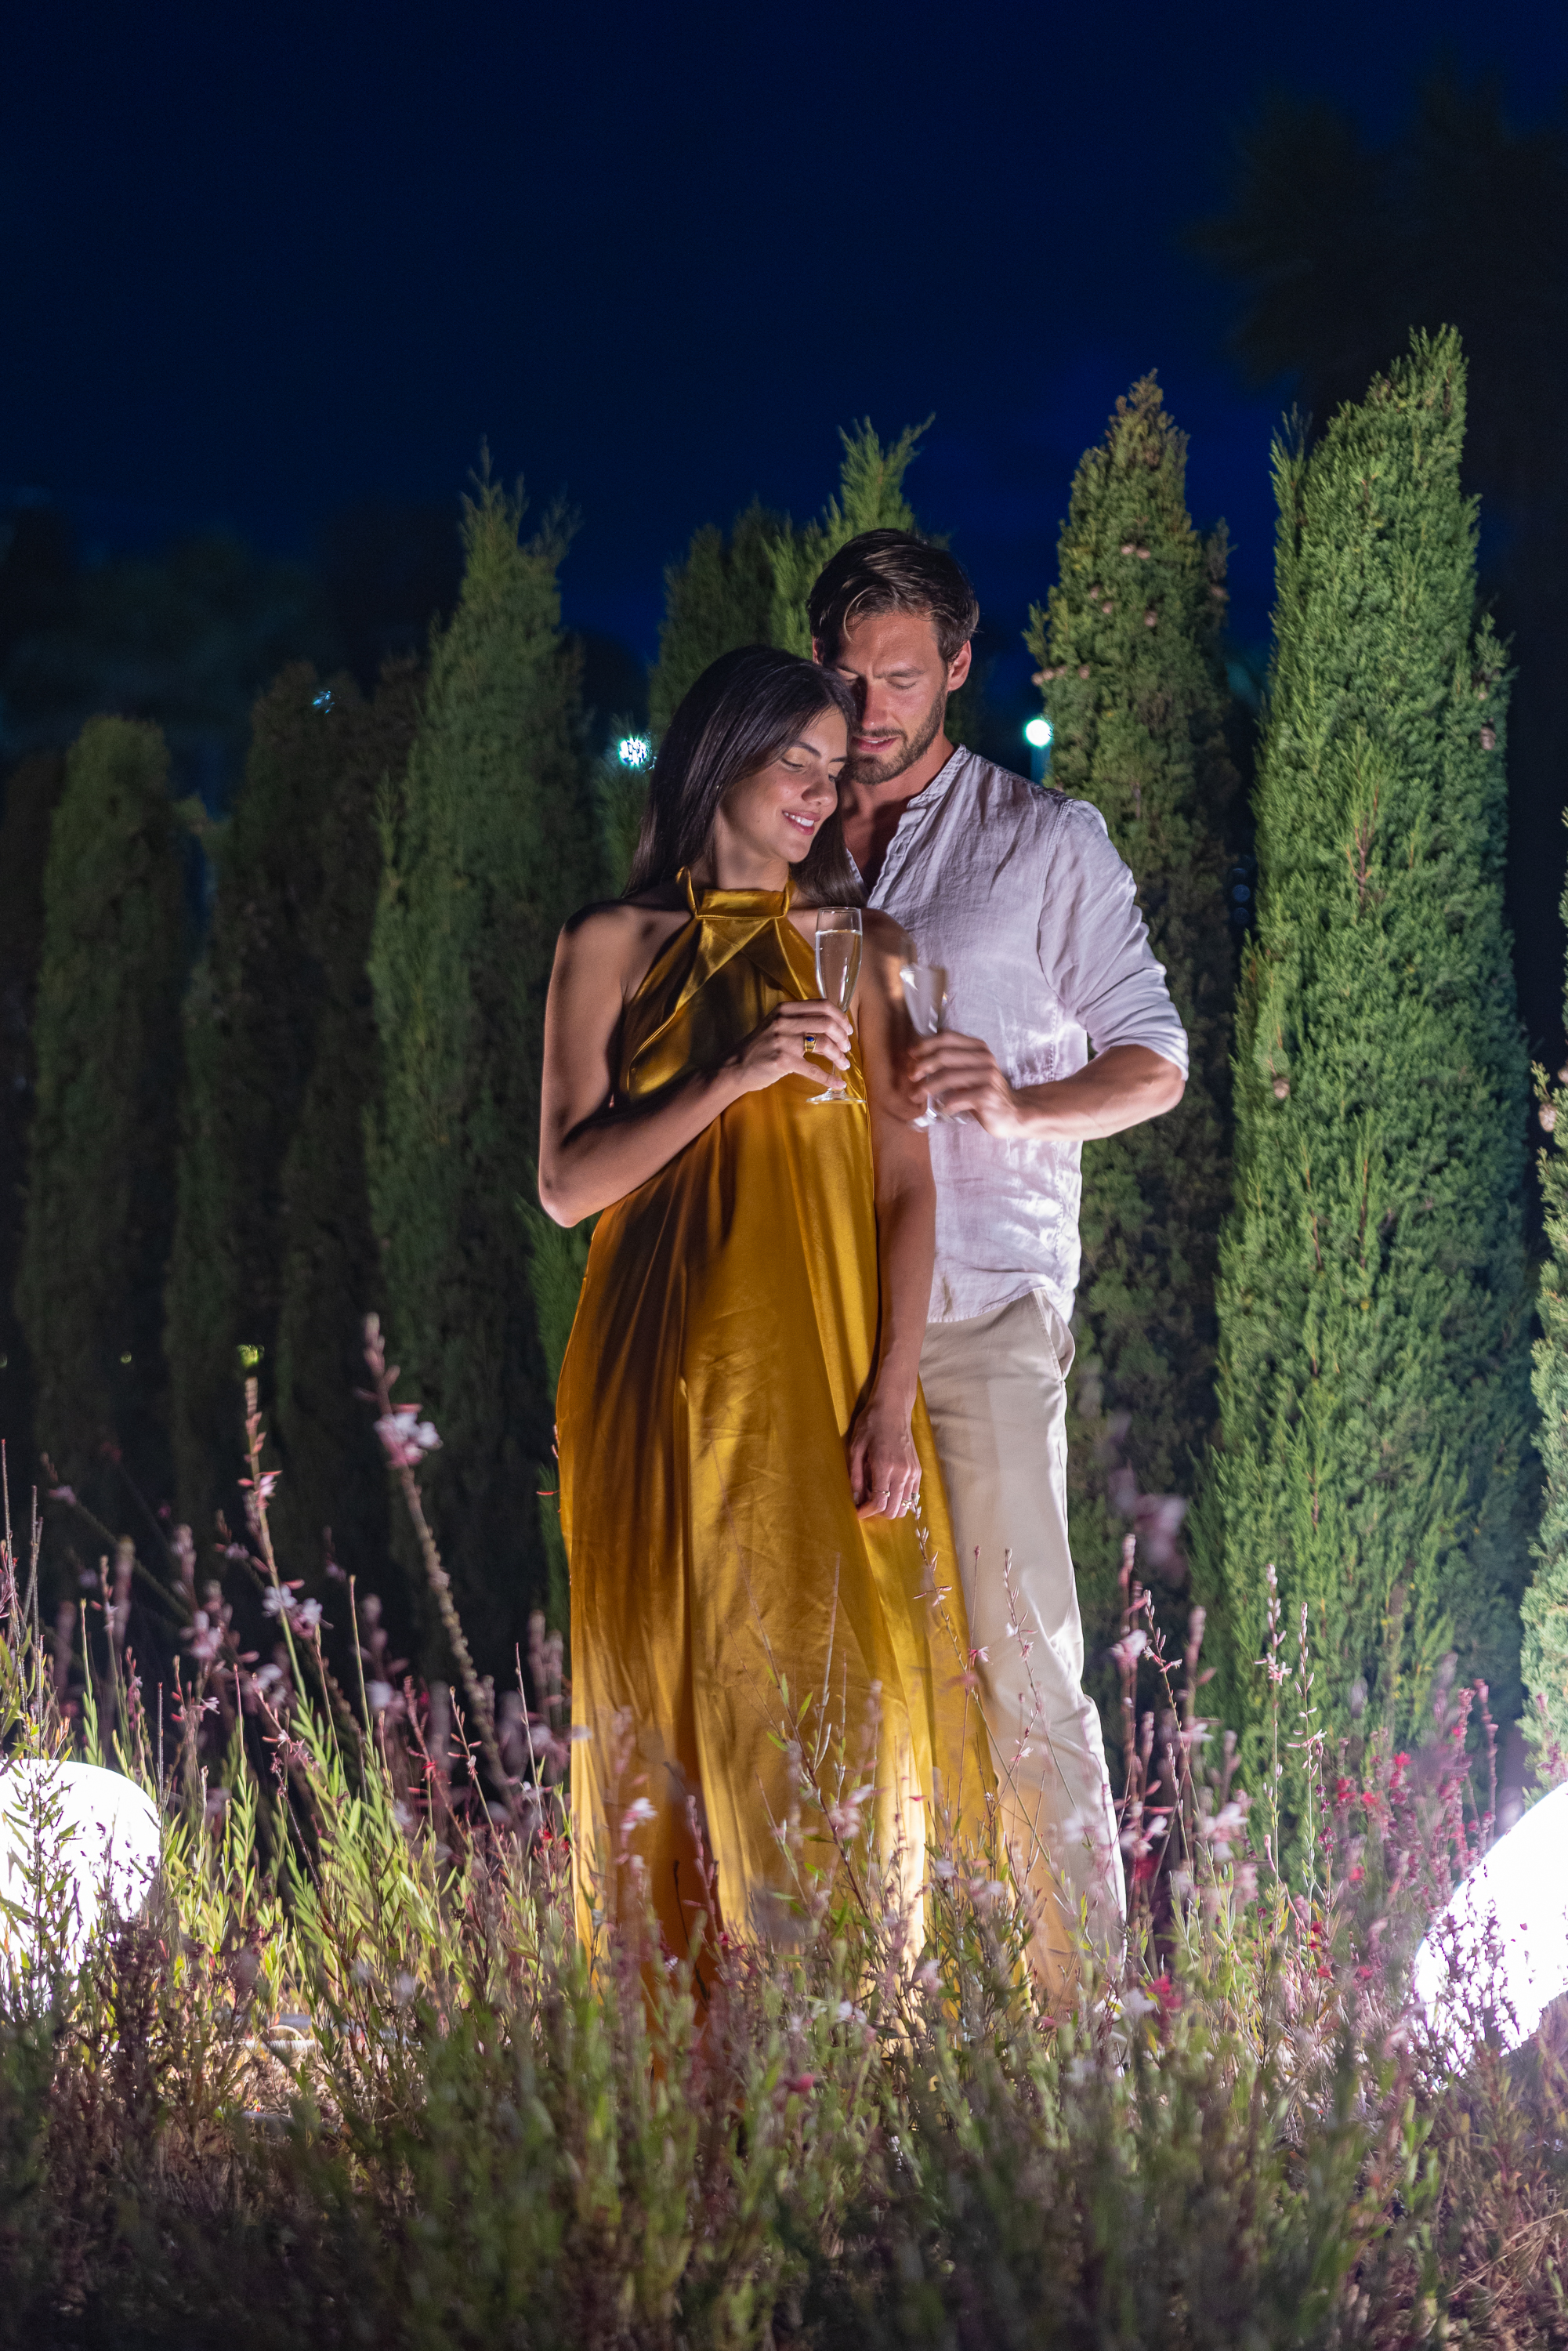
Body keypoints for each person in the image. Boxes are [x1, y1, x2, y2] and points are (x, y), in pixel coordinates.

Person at [538, 645, 989, 1972]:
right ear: (714, 754)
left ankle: (839, 2046)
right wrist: (728, 1076)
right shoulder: (612, 944)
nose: (815, 791)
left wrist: (890, 1395)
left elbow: (909, 1192)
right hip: (653, 1373)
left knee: (831, 1676)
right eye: (792, 759)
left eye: (832, 770)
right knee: (659, 1680)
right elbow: (569, 1184)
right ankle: (668, 2072)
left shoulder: (872, 952)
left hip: (820, 1364)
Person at [807, 529, 1190, 1983]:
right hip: (808, 1298)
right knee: (843, 1670)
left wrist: (1021, 1102)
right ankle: (871, 2004)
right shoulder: (782, 831)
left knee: (1020, 1656)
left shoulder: (1047, 839)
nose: (872, 707)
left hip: (982, 1299)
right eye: (847, 677)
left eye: (903, 675)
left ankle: (1081, 2013)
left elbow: (1151, 1061)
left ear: (959, 668)